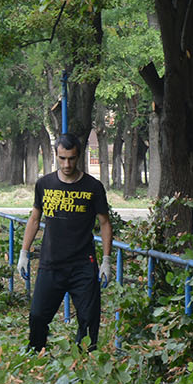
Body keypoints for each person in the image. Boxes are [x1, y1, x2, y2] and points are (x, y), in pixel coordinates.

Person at [17, 133, 114, 351]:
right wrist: (24, 253)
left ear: (78, 156)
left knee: (89, 320)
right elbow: (35, 218)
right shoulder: (44, 184)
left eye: (71, 158)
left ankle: (85, 362)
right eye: (62, 158)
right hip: (51, 263)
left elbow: (105, 223)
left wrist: (106, 259)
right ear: (56, 156)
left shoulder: (93, 187)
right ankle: (36, 356)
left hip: (83, 264)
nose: (67, 164)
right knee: (38, 315)